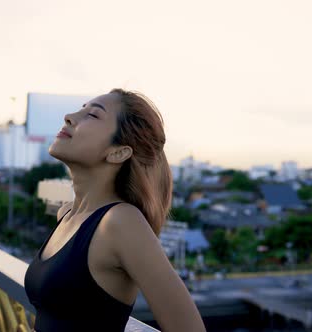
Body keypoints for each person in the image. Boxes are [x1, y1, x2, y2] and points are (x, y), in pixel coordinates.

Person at [24, 88, 206, 332]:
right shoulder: (67, 215)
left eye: (93, 115)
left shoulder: (120, 222)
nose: (69, 116)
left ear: (118, 152)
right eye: (81, 108)